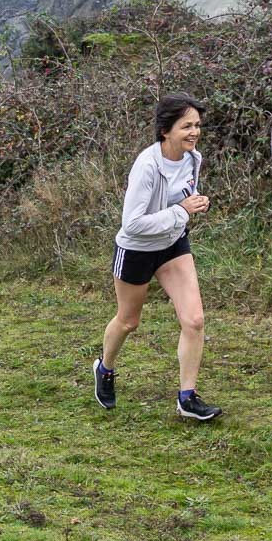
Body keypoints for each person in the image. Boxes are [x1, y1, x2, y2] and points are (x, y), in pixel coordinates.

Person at [93, 93, 220, 421]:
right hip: (136, 249)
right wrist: (181, 211)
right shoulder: (147, 166)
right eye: (186, 126)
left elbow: (182, 197)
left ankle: (187, 398)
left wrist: (194, 203)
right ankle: (105, 368)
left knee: (194, 320)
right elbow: (132, 224)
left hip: (173, 244)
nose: (194, 132)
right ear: (165, 130)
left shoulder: (192, 157)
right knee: (128, 321)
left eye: (197, 125)